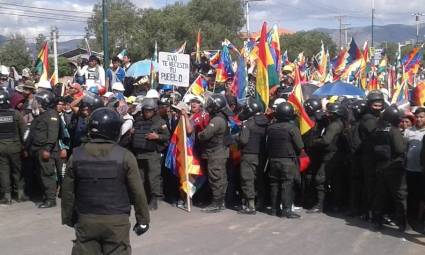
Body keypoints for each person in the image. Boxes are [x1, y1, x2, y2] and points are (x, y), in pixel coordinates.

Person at [61, 107, 150, 255]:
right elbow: (138, 191)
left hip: (86, 219)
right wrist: (143, 220)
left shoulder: (76, 155)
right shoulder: (125, 156)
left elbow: (68, 191)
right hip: (116, 222)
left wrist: (69, 217)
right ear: (115, 130)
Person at [371, 106, 408, 231]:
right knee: (400, 196)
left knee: (380, 195)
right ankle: (402, 223)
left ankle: (377, 221)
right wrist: (405, 141)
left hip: (380, 166)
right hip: (394, 167)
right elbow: (399, 149)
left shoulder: (378, 129)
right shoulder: (393, 130)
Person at [131, 98, 170, 210]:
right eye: (145, 110)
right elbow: (134, 133)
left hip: (152, 154)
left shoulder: (160, 122)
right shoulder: (138, 120)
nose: (147, 113)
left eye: (150, 111)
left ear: (154, 111)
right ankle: (142, 200)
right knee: (140, 178)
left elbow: (167, 137)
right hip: (139, 153)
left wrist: (157, 136)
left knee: (153, 178)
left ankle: (154, 199)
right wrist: (133, 132)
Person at [267, 102, 304, 218]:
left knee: (274, 184)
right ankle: (287, 210)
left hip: (273, 159)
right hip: (287, 161)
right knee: (287, 185)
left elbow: (267, 144)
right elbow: (300, 146)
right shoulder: (292, 128)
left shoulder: (270, 128)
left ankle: (274, 209)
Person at [307, 103, 345, 213]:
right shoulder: (339, 123)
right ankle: (336, 204)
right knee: (336, 181)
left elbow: (326, 140)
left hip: (330, 156)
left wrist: (314, 142)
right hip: (336, 155)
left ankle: (320, 205)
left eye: (330, 113)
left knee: (320, 179)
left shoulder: (334, 126)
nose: (327, 115)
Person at [25, 90, 59, 208]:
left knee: (47, 175)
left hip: (44, 150)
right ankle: (45, 196)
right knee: (41, 175)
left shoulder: (51, 115)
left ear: (43, 102)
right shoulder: (41, 115)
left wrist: (47, 149)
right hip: (37, 150)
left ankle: (50, 199)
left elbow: (52, 134)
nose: (36, 103)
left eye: (38, 101)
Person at [198, 93, 231, 213]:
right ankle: (220, 202)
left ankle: (216, 203)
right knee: (220, 177)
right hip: (220, 151)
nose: (208, 106)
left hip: (216, 152)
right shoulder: (222, 117)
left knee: (216, 178)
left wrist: (198, 133)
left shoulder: (217, 120)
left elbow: (205, 135)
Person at [237, 98, 268, 214]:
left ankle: (251, 205)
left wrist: (236, 138)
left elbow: (244, 140)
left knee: (247, 179)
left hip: (249, 154)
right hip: (261, 155)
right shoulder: (266, 121)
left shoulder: (248, 123)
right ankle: (261, 203)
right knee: (259, 179)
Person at [358, 90, 385, 219]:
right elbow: (375, 134)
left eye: (380, 105)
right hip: (369, 156)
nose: (378, 107)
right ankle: (368, 211)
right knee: (370, 185)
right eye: (375, 105)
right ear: (369, 105)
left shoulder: (377, 117)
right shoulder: (369, 118)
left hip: (375, 155)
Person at [0, 90, 28, 204]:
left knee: (3, 172)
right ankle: (21, 195)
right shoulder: (16, 114)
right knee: (18, 170)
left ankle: (7, 197)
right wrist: (25, 147)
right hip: (16, 147)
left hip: (1, 148)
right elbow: (25, 132)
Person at [404, 107, 425, 224]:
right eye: (417, 117)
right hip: (410, 169)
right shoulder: (409, 131)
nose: (419, 119)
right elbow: (404, 149)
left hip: (422, 170)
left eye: (421, 116)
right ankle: (410, 216)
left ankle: (419, 217)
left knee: (421, 195)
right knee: (410, 194)